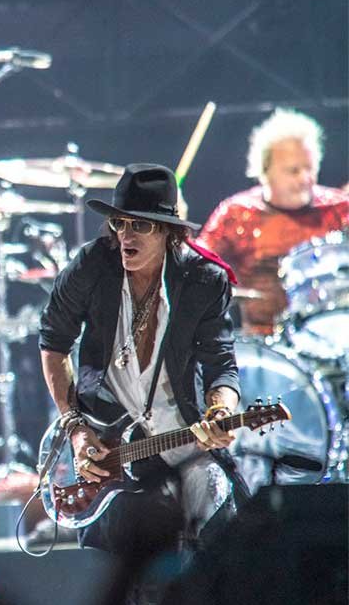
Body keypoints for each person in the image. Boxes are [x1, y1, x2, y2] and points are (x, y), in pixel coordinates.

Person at [38, 164, 248, 578]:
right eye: (119, 223)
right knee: (125, 574)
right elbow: (53, 342)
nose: (125, 236)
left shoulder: (203, 280)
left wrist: (222, 411)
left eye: (140, 225)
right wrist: (75, 427)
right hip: (112, 446)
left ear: (168, 231)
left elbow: (221, 363)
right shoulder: (92, 266)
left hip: (184, 442)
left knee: (214, 535)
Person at [196, 108, 349, 335]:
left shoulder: (340, 208)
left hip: (331, 339)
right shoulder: (236, 212)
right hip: (261, 342)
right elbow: (197, 265)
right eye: (293, 171)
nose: (305, 179)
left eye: (309, 168)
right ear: (264, 171)